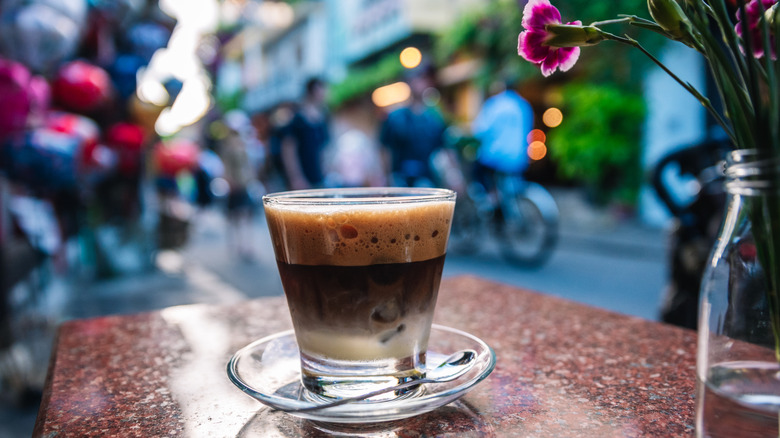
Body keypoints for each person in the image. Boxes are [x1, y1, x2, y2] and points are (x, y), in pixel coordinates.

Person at [380, 66, 446, 187]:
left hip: (426, 178)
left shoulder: (433, 118)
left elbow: (442, 149)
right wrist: (386, 177)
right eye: (418, 79)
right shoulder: (395, 117)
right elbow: (385, 150)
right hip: (400, 177)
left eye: (424, 79)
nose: (421, 83)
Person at [471, 81, 534, 194]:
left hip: (496, 157)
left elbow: (480, 130)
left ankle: (490, 199)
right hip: (519, 157)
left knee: (478, 171)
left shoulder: (495, 104)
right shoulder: (524, 105)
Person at [281, 78, 329, 190]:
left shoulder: (322, 117)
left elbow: (323, 148)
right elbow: (288, 149)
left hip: (320, 178)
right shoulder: (297, 118)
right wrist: (296, 178)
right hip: (303, 179)